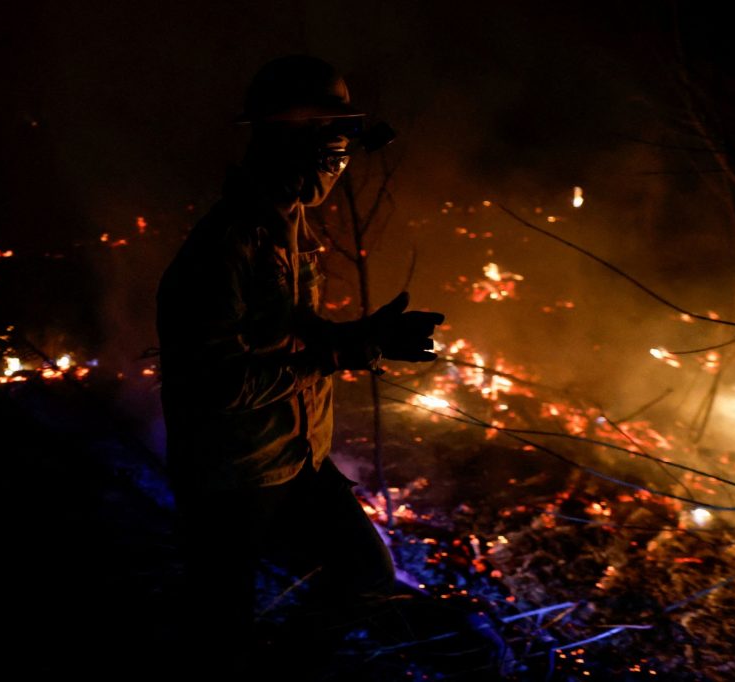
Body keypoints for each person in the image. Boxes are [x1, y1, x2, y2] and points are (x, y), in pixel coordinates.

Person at [156, 55, 445, 674]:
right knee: (219, 629)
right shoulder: (227, 246)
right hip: (233, 479)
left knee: (366, 575)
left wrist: (362, 337)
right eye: (334, 152)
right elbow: (212, 384)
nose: (337, 170)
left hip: (293, 459)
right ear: (297, 141)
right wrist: (336, 354)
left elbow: (286, 336)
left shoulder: (292, 228)